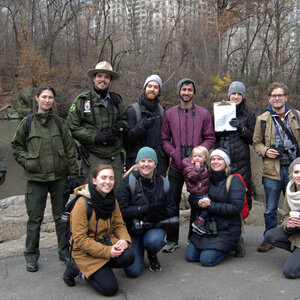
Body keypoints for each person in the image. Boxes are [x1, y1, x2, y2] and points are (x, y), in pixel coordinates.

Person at [11, 84, 79, 272]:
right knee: (34, 218)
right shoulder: (27, 123)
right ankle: (31, 255)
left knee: (61, 217)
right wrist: (28, 162)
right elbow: (16, 147)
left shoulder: (60, 123)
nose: (47, 100)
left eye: (50, 97)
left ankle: (64, 250)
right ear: (37, 98)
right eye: (44, 97)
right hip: (36, 179)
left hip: (59, 178)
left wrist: (73, 175)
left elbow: (70, 151)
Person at [161, 78, 215, 253]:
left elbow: (210, 137)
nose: (186, 92)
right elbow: (164, 139)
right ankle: (172, 239)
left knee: (197, 202)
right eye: (183, 89)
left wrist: (200, 153)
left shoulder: (203, 113)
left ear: (194, 92)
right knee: (171, 202)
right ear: (179, 91)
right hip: (177, 165)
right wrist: (174, 153)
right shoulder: (169, 114)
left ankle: (194, 237)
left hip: (197, 167)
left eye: (189, 90)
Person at [63, 165, 134, 296]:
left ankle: (102, 269)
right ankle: (79, 269)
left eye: (111, 178)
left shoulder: (112, 199)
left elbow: (119, 225)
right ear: (94, 180)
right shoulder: (82, 204)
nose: (108, 182)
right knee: (110, 289)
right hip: (85, 251)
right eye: (104, 177)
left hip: (104, 242)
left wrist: (124, 240)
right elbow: (80, 240)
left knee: (128, 256)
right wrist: (108, 252)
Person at [253, 82, 300, 252]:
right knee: (270, 208)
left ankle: (296, 238)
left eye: (280, 95)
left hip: (294, 169)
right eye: (274, 95)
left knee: (296, 205)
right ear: (269, 98)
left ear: (286, 97)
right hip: (272, 169)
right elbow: (256, 143)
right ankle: (269, 237)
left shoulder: (296, 116)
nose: (277, 98)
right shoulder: (263, 119)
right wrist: (266, 151)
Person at [67, 61, 128, 190]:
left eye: (107, 77)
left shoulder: (117, 100)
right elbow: (72, 128)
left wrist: (121, 126)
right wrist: (95, 137)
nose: (103, 80)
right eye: (99, 76)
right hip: (94, 155)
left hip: (115, 156)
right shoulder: (82, 101)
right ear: (94, 78)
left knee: (117, 194)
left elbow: (125, 120)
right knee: (93, 196)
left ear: (110, 80)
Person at [117, 147, 175, 277]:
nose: (146, 164)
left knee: (153, 242)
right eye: (142, 161)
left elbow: (172, 209)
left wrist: (158, 214)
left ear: (155, 164)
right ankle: (138, 249)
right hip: (133, 229)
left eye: (150, 161)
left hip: (154, 226)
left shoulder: (164, 183)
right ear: (137, 163)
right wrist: (145, 210)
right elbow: (121, 210)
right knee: (133, 272)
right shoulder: (128, 182)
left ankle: (152, 253)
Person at [185, 148, 245, 266]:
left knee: (207, 260)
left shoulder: (234, 180)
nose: (215, 162)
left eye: (219, 159)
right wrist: (198, 203)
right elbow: (192, 198)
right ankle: (212, 247)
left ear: (226, 162)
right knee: (190, 256)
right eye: (213, 159)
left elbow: (236, 208)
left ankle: (234, 243)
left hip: (226, 228)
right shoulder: (205, 178)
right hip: (207, 227)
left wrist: (210, 206)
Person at [214, 81, 256, 210]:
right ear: (229, 95)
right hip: (222, 160)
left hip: (241, 162)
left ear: (243, 96)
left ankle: (239, 226)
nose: (236, 96)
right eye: (233, 93)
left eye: (239, 94)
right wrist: (219, 132)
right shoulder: (218, 111)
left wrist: (241, 128)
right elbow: (210, 136)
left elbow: (254, 139)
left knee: (240, 197)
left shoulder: (249, 115)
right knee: (221, 195)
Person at [125, 74, 169, 176]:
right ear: (145, 88)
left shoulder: (163, 112)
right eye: (149, 86)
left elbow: (166, 139)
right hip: (136, 162)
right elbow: (126, 140)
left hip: (158, 163)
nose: (152, 89)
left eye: (156, 87)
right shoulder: (132, 110)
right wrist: (141, 126)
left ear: (159, 91)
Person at [265, 158, 300, 278]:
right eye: (296, 172)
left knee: (290, 272)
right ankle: (296, 251)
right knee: (270, 235)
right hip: (296, 233)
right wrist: (288, 225)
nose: (299, 175)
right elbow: (286, 216)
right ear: (291, 174)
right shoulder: (290, 191)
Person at [182, 145, 210, 235]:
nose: (197, 158)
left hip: (203, 192)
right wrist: (197, 169)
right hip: (197, 194)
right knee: (208, 207)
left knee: (198, 213)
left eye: (200, 156)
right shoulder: (189, 167)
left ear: (205, 158)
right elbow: (191, 177)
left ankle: (198, 225)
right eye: (195, 156)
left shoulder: (205, 166)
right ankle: (199, 222)